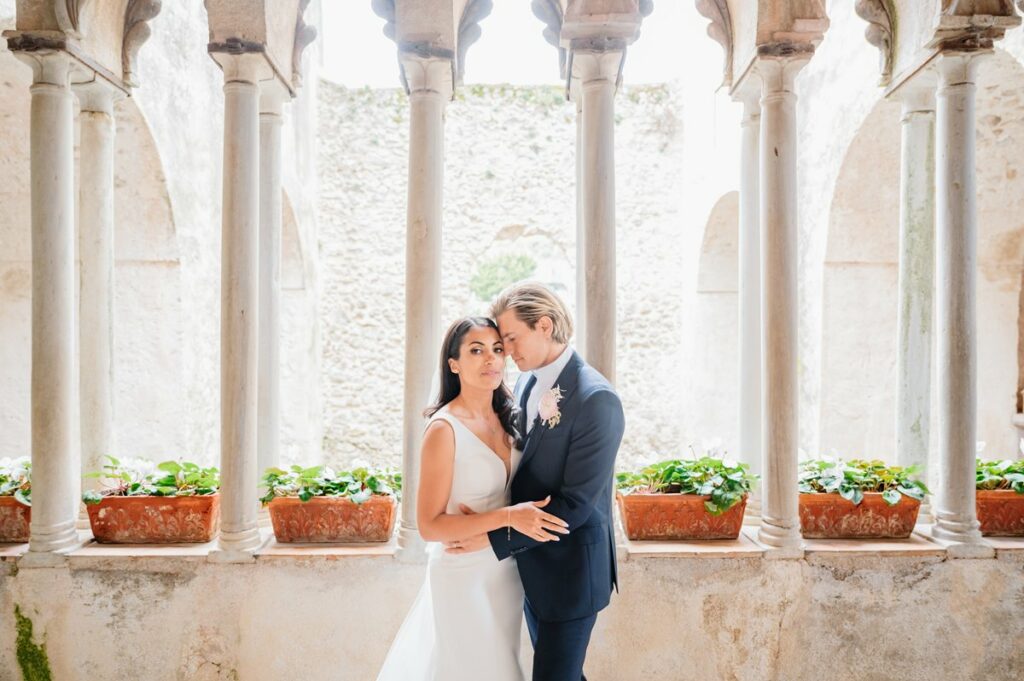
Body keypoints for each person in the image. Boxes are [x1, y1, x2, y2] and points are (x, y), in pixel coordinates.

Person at [448, 283, 625, 681]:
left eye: (511, 338)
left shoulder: (596, 399)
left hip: (572, 572)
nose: (506, 351)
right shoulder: (529, 382)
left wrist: (491, 537)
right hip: (532, 567)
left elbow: (575, 505)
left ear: (544, 325)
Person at [376, 316, 568, 681]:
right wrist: (507, 517)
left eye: (497, 350)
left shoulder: (512, 417)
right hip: (462, 573)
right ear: (454, 364)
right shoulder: (444, 429)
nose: (490, 360)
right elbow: (430, 526)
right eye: (476, 351)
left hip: (508, 571)